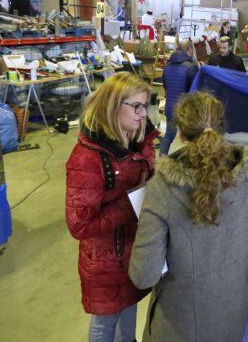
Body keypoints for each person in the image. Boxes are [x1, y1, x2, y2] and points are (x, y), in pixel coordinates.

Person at [128, 92, 248, 342]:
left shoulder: (163, 189)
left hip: (181, 325)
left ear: (179, 132)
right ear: (222, 128)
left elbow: (143, 275)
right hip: (233, 312)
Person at [65, 72, 158, 342]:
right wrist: (134, 202)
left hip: (133, 246)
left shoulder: (137, 138)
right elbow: (79, 225)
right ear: (114, 105)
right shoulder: (87, 159)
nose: (143, 114)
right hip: (105, 258)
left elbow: (147, 168)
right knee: (106, 320)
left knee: (127, 306)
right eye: (137, 107)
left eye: (146, 106)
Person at [160, 40, 198, 155]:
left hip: (170, 108)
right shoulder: (191, 67)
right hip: (186, 110)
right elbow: (195, 90)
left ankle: (161, 161)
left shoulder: (167, 66)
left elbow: (165, 86)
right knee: (193, 139)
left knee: (168, 136)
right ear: (190, 50)